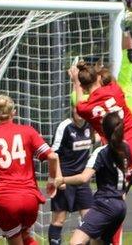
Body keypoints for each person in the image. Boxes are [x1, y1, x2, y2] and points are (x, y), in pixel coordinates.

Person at [68, 60, 132, 244]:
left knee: (115, 199)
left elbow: (79, 101)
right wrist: (102, 69)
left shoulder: (85, 108)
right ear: (98, 76)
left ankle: (114, 241)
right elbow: (109, 79)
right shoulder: (115, 90)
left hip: (116, 151)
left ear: (82, 84)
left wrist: (75, 80)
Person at [0, 95, 61, 245]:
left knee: (16, 238)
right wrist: (52, 180)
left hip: (7, 199)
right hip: (30, 199)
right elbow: (53, 157)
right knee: (25, 236)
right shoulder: (28, 131)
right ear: (14, 112)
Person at [54, 112, 129, 245]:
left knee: (75, 242)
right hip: (120, 206)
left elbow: (84, 178)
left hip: (105, 204)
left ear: (103, 130)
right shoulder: (126, 148)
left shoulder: (101, 152)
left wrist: (63, 180)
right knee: (98, 242)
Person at [48, 105, 95, 245]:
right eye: (76, 109)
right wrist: (58, 178)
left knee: (89, 220)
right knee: (59, 219)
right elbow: (53, 154)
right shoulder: (65, 126)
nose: (79, 112)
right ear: (73, 109)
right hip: (64, 178)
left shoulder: (90, 126)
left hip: (81, 180)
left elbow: (97, 138)